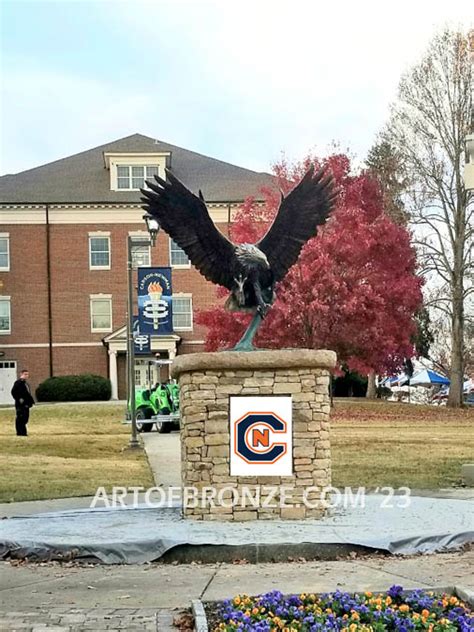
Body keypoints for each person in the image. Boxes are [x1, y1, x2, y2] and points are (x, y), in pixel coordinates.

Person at [11, 369, 35, 436]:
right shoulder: (18, 383)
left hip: (26, 404)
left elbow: (27, 394)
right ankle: (21, 433)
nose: (26, 376)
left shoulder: (25, 383)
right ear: (21, 374)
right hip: (20, 404)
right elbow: (13, 392)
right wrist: (19, 399)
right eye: (25, 374)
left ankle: (23, 432)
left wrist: (30, 401)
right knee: (20, 418)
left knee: (25, 418)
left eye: (27, 374)